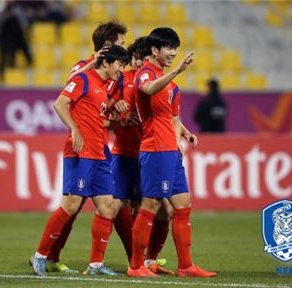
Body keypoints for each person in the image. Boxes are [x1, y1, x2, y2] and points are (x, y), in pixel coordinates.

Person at [36, 21, 129, 274]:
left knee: (106, 206)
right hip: (82, 150)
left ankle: (96, 263)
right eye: (120, 46)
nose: (124, 54)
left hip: (100, 150)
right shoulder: (84, 74)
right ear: (108, 49)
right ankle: (43, 255)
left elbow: (100, 114)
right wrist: (75, 129)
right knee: (71, 206)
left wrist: (117, 110)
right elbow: (65, 97)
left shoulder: (105, 83)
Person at [127, 27, 217, 278]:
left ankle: (186, 266)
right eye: (168, 48)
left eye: (175, 48)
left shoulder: (173, 87)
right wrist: (177, 71)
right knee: (151, 205)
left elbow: (173, 118)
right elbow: (147, 90)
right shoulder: (145, 73)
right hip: (155, 149)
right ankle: (135, 266)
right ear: (154, 50)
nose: (173, 53)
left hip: (171, 150)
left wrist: (185, 133)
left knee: (183, 204)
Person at [108, 36, 173, 275]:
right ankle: (115, 261)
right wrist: (117, 111)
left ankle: (147, 260)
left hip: (150, 153)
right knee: (116, 206)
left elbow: (167, 115)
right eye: (139, 58)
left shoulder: (155, 80)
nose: (142, 63)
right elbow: (102, 108)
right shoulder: (121, 79)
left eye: (146, 58)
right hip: (125, 154)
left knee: (164, 210)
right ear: (132, 58)